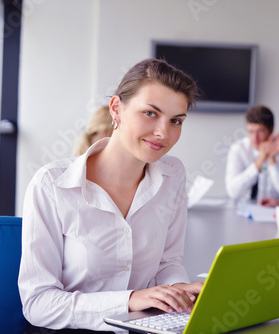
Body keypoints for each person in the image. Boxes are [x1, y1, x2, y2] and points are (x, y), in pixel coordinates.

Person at [18, 58, 203, 332]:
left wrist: (178, 289)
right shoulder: (52, 185)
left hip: (145, 327)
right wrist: (129, 300)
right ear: (116, 109)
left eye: (176, 120)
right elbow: (38, 303)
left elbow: (167, 261)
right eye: (150, 113)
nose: (163, 132)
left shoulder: (172, 175)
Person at [225, 104, 279, 207]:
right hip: (242, 208)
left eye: (260, 131)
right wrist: (259, 161)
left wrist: (272, 161)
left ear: (271, 129)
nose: (255, 138)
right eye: (250, 131)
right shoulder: (238, 149)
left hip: (275, 210)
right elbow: (233, 192)